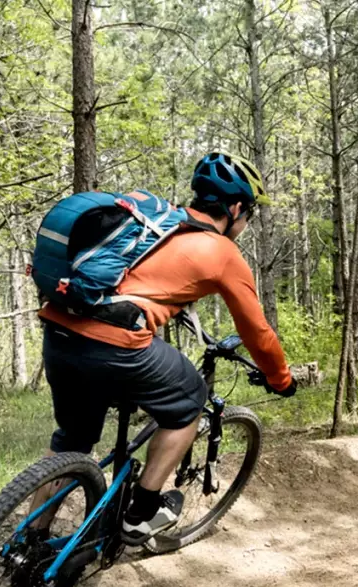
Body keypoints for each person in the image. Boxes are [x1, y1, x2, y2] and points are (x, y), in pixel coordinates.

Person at [36, 152, 296, 543]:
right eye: (250, 213)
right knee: (189, 398)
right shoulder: (223, 253)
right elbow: (258, 332)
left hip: (58, 332)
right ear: (237, 208)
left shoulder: (156, 221)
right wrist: (281, 379)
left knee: (72, 440)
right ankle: (140, 514)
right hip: (117, 344)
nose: (247, 222)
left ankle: (30, 541)